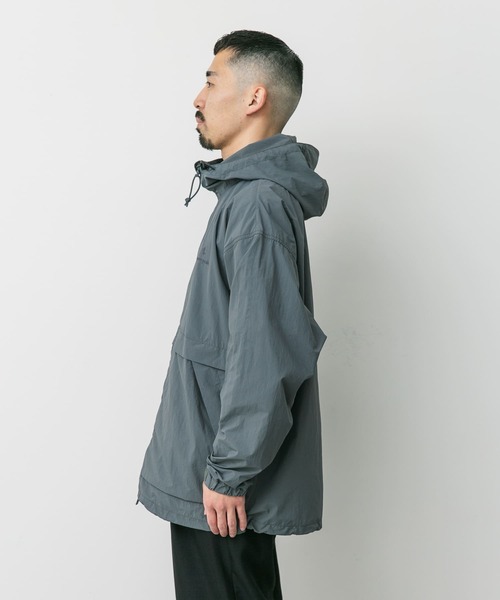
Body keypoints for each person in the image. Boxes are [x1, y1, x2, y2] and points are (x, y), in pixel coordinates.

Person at [137, 29, 329, 599]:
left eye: (211, 81)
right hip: (215, 476)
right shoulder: (249, 199)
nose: (197, 98)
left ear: (254, 98)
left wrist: (227, 473)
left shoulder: (258, 206)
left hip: (220, 487)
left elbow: (266, 355)